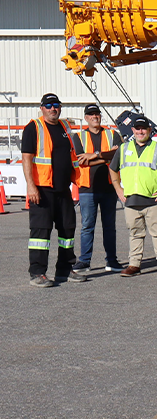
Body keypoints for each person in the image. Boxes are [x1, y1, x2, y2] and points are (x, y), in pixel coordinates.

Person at [21, 93, 86, 287]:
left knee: (67, 230)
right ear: (42, 108)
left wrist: (77, 180)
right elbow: (27, 158)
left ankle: (65, 269)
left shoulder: (65, 127)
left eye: (56, 105)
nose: (52, 108)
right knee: (41, 233)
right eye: (48, 105)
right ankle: (37, 273)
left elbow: (72, 156)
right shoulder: (34, 127)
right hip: (42, 189)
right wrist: (31, 186)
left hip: (62, 189)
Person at [109, 116, 157, 278]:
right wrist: (118, 188)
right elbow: (113, 169)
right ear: (132, 130)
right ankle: (134, 265)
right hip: (131, 200)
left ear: (149, 130)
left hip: (154, 201)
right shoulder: (123, 149)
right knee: (135, 233)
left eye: (143, 128)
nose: (140, 131)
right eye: (137, 128)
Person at [72, 103, 124, 273]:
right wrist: (107, 156)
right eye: (91, 114)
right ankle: (84, 261)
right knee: (87, 226)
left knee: (110, 226)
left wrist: (94, 155)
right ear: (86, 118)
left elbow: (119, 155)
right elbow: (81, 160)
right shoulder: (78, 137)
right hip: (87, 188)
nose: (95, 117)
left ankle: (112, 260)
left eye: (97, 114)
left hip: (109, 186)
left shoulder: (112, 134)